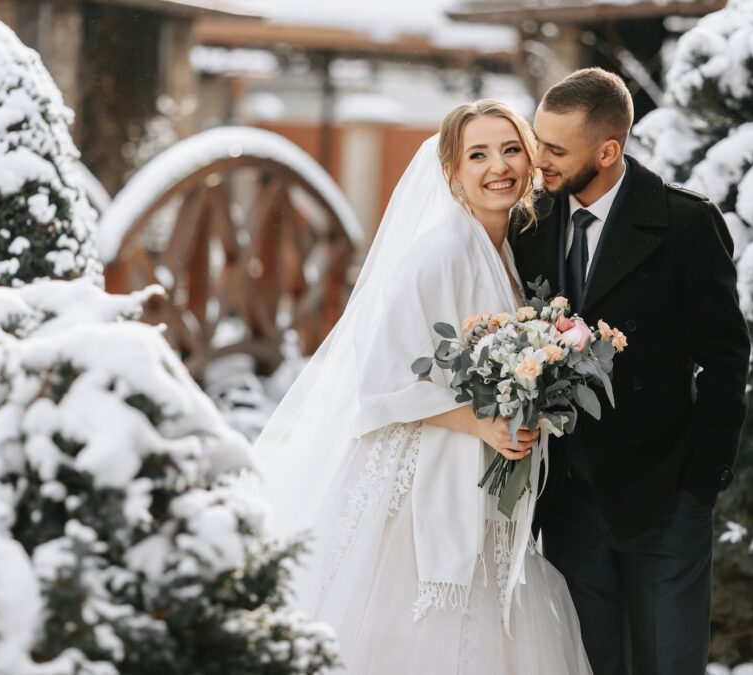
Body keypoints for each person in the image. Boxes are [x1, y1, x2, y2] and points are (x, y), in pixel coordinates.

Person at [252, 100, 593, 674]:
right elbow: (380, 383)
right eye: (477, 155)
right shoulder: (440, 253)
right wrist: (481, 421)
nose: (498, 166)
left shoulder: (507, 251)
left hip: (484, 477)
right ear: (452, 171)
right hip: (422, 482)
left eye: (511, 149)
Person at [512, 68, 751, 675]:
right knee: (587, 664)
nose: (538, 159)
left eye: (555, 149)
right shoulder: (531, 223)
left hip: (663, 497)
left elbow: (725, 358)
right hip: (569, 501)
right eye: (538, 141)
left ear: (608, 151)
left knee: (667, 663)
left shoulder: (684, 222)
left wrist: (701, 484)